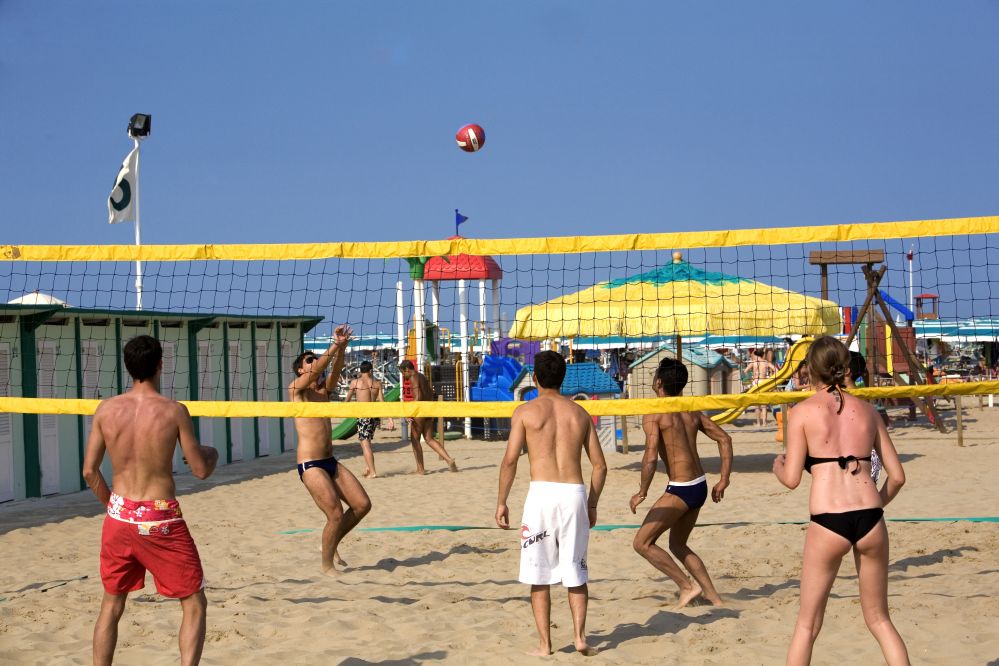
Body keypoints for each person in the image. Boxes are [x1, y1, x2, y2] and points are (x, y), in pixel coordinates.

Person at [82, 335, 219, 666]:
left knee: (112, 605)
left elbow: (89, 472)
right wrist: (211, 454)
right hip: (160, 519)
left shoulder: (106, 409)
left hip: (118, 518)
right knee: (194, 602)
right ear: (160, 364)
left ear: (128, 368)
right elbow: (200, 470)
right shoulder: (173, 411)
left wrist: (114, 507)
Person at [772, 336, 909, 665]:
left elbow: (791, 479)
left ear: (810, 370)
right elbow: (899, 476)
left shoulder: (801, 412)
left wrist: (777, 466)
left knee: (807, 625)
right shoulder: (868, 411)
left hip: (828, 520)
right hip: (871, 518)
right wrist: (875, 503)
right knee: (880, 620)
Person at [496, 351, 608, 657]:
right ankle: (580, 637)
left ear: (534, 379)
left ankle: (545, 645)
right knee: (576, 571)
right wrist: (593, 504)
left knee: (538, 574)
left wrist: (502, 502)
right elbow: (600, 466)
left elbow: (509, 462)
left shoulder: (525, 411)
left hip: (541, 497)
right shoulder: (580, 413)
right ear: (564, 378)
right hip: (574, 495)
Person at [629, 357, 733, 608]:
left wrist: (641, 492)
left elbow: (650, 457)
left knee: (641, 543)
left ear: (659, 381)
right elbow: (725, 439)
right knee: (677, 544)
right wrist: (723, 479)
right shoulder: (690, 409)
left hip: (682, 488)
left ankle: (687, 586)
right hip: (700, 485)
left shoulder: (655, 413)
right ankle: (715, 598)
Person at [289, 325, 371, 576]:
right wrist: (334, 345)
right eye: (309, 360)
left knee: (362, 505)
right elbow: (319, 368)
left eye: (315, 358)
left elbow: (333, 371)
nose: (313, 362)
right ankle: (327, 566)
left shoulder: (322, 393)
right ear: (301, 369)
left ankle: (332, 542)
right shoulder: (297, 390)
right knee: (335, 513)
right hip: (310, 464)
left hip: (329, 461)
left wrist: (343, 348)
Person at [398, 359, 458, 474]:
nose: (403, 376)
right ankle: (449, 460)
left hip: (420, 411)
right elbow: (430, 393)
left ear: (407, 370)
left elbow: (418, 397)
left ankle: (420, 469)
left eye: (403, 372)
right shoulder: (422, 376)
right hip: (429, 409)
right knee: (429, 439)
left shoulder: (413, 377)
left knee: (415, 439)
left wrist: (410, 413)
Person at [345, 360, 384, 478]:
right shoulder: (377, 383)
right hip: (374, 417)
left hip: (363, 416)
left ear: (360, 371)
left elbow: (346, 401)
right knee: (367, 443)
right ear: (371, 370)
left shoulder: (355, 383)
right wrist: (390, 419)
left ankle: (373, 472)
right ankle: (368, 467)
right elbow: (383, 402)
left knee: (365, 444)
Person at [747, 348, 777, 426]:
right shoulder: (765, 363)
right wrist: (770, 379)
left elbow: (745, 371)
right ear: (762, 355)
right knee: (764, 405)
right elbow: (776, 370)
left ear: (756, 355)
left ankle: (758, 423)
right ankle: (764, 423)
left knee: (757, 405)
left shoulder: (754, 363)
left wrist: (750, 379)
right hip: (764, 382)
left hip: (755, 383)